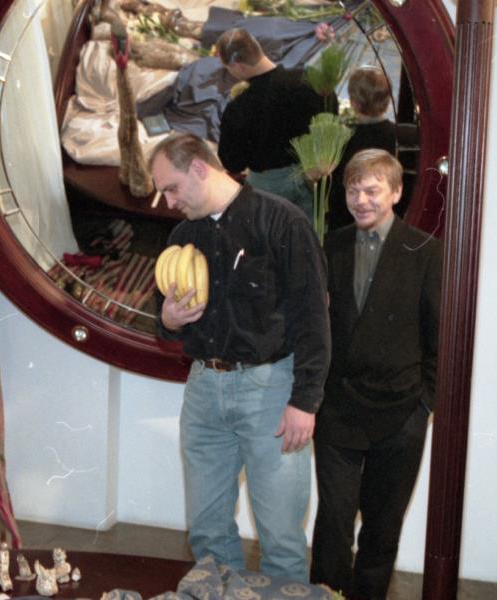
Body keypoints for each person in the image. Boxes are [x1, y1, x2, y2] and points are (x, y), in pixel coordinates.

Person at [150, 132, 331, 582]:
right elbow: (163, 318)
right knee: (207, 535)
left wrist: (305, 401)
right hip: (203, 390)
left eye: (171, 188)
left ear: (199, 167)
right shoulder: (183, 234)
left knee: (281, 540)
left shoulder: (282, 222)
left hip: (271, 390)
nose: (168, 202)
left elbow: (313, 317)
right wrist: (169, 319)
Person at [310, 149, 441, 599]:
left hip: (401, 413)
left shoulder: (426, 251)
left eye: (372, 190)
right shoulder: (331, 245)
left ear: (396, 192)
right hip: (338, 411)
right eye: (353, 190)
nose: (361, 200)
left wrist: (424, 404)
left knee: (383, 529)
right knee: (333, 522)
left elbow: (438, 336)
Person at [216, 27, 325, 221]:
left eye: (228, 69)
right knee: (309, 231)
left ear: (238, 65)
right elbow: (329, 119)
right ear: (258, 49)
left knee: (268, 231)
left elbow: (232, 162)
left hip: (268, 185)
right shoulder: (308, 79)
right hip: (312, 174)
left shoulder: (239, 107)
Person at [326, 67, 399, 233]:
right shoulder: (397, 136)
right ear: (388, 100)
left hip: (346, 221)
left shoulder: (344, 138)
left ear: (354, 104)